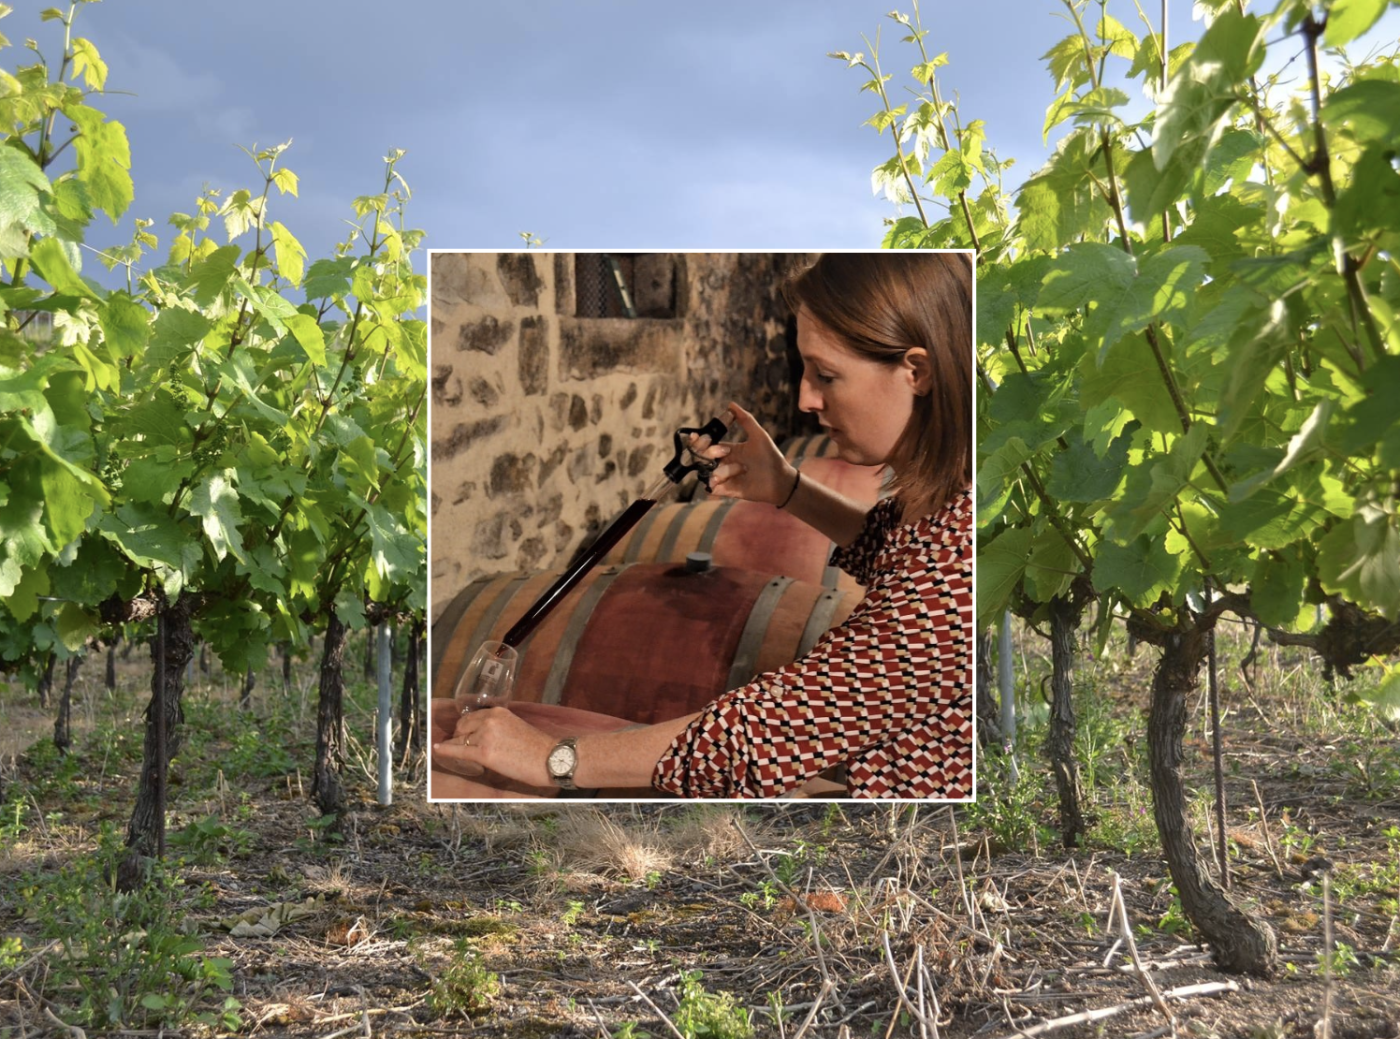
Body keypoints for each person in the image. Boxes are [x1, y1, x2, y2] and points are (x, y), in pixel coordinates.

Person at [432, 252, 972, 799]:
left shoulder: (956, 564)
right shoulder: (940, 507)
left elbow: (768, 733)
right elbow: (887, 548)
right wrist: (787, 487)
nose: (806, 398)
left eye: (826, 375)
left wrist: (551, 757)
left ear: (917, 372)